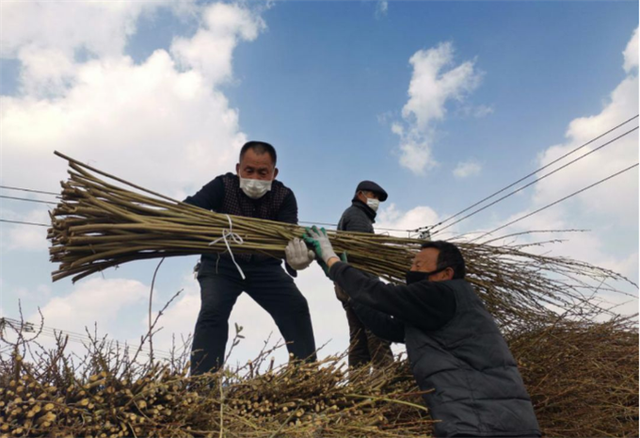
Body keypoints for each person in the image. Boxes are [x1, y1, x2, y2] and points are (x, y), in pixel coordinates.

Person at [289, 228, 541, 438]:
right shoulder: (435, 311)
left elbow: (380, 294)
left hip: (485, 423)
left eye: (419, 265)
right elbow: (386, 328)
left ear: (446, 273)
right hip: (489, 422)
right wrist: (347, 293)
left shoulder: (445, 294)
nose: (412, 270)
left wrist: (333, 262)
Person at [184, 141, 317, 375]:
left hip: (264, 268)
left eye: (263, 172)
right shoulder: (222, 186)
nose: (255, 177)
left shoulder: (284, 196)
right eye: (249, 171)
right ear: (238, 169)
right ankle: (201, 385)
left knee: (296, 306)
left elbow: (288, 235)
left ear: (274, 173)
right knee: (212, 312)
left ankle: (306, 376)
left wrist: (295, 259)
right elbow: (188, 210)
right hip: (220, 264)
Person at [335, 181, 394, 369]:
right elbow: (359, 255)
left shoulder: (355, 215)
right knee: (377, 333)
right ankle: (387, 387)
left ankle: (359, 387)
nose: (376, 201)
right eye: (373, 196)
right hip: (360, 286)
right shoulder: (357, 216)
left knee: (359, 339)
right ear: (360, 195)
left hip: (349, 285)